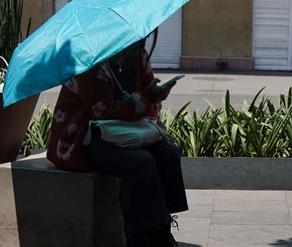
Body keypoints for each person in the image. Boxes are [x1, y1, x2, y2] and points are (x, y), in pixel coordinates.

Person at [47, 34, 188, 247]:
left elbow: (148, 100)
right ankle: (138, 237)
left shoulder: (138, 57)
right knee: (139, 162)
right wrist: (146, 98)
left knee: (168, 153)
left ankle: (160, 230)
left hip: (125, 131)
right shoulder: (90, 63)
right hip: (84, 138)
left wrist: (156, 94)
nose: (137, 42)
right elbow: (103, 111)